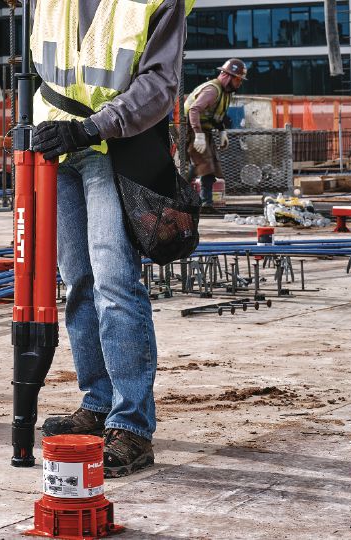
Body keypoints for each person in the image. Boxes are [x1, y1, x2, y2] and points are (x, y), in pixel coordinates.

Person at [26, 0, 186, 477]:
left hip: (110, 148)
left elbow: (159, 84)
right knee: (79, 281)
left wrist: (92, 127)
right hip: (56, 147)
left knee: (115, 284)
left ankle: (132, 426)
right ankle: (98, 402)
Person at [184, 59, 246, 210]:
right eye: (238, 79)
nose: (239, 83)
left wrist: (222, 130)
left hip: (203, 129)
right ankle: (181, 196)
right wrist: (198, 134)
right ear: (227, 76)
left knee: (211, 165)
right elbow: (194, 110)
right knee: (204, 164)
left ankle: (206, 203)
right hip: (190, 128)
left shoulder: (226, 93)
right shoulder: (213, 90)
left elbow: (215, 115)